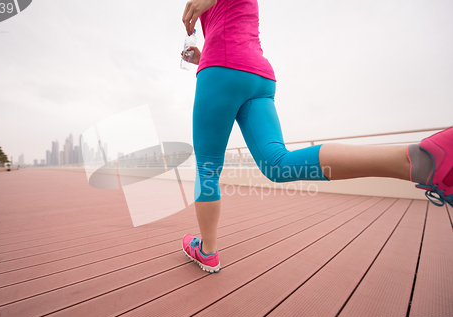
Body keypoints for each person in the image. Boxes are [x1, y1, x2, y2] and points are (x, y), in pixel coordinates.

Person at [180, 0, 453, 273]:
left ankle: (207, 251)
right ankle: (424, 158)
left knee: (207, 168)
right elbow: (232, 27)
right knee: (278, 164)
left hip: (222, 70)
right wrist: (202, 55)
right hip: (257, 74)